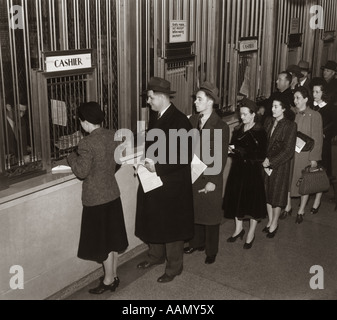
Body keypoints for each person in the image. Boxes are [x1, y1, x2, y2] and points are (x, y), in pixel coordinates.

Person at [135, 77, 194, 283]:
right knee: (154, 219)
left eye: (150, 98)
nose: (148, 102)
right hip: (156, 181)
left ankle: (174, 268)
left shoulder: (179, 121)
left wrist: (157, 166)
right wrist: (145, 161)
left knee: (172, 226)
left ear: (161, 97)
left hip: (172, 184)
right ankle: (155, 256)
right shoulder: (157, 116)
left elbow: (184, 156)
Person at [67, 101, 128, 294]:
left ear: (85, 122)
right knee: (113, 240)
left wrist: (71, 157)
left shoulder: (86, 143)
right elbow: (118, 162)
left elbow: (82, 172)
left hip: (96, 200)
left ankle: (108, 280)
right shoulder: (113, 135)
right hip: (112, 194)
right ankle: (114, 276)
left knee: (103, 242)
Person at [184, 82, 229, 264]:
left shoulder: (220, 126)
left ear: (210, 102)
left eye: (199, 99)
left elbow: (221, 158)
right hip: (194, 174)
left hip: (210, 176)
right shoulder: (192, 121)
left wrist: (213, 181)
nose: (195, 102)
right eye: (196, 99)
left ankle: (211, 250)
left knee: (210, 215)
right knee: (196, 211)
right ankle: (197, 242)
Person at [223, 98, 268, 249]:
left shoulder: (260, 132)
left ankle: (251, 233)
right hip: (237, 171)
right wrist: (231, 150)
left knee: (252, 203)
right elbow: (233, 148)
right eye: (240, 114)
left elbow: (261, 155)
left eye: (244, 114)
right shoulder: (237, 130)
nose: (241, 117)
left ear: (253, 114)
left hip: (252, 172)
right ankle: (238, 229)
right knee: (237, 200)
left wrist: (243, 153)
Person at [262, 94, 297, 237]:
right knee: (267, 194)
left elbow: (288, 151)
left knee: (276, 196)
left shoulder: (290, 125)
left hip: (279, 166)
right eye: (272, 106)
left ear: (283, 109)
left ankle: (274, 223)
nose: (273, 109)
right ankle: (270, 220)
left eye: (276, 107)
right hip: (265, 164)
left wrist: (271, 162)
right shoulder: (268, 121)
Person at [289, 87, 323, 224]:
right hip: (292, 154)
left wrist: (314, 158)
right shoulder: (292, 114)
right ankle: (288, 206)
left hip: (306, 155)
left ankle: (301, 209)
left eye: (298, 98)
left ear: (306, 99)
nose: (295, 100)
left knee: (304, 182)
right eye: (294, 98)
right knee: (290, 180)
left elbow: (318, 138)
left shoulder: (315, 116)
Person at [310, 77, 337, 213]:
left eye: (317, 92)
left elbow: (335, 125)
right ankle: (312, 195)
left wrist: (326, 133)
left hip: (325, 144)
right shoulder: (312, 106)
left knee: (327, 171)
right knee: (314, 169)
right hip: (313, 143)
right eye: (313, 92)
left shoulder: (330, 108)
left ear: (323, 93)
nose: (314, 95)